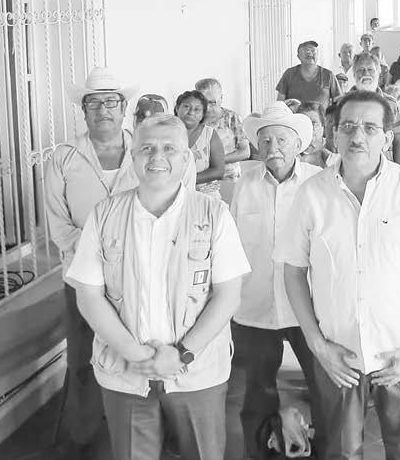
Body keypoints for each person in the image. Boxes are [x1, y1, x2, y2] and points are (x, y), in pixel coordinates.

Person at [280, 89, 400, 459]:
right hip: (338, 355)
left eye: (370, 128)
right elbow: (293, 272)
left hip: (399, 353)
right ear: (334, 134)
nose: (357, 136)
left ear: (387, 137)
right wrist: (317, 345)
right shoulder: (311, 195)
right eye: (348, 126)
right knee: (341, 451)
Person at [67, 113, 251, 460]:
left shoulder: (214, 214)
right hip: (125, 372)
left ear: (186, 158)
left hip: (196, 371)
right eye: (147, 148)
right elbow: (89, 296)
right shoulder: (104, 214)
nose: (157, 157)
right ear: (133, 155)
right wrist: (136, 355)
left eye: (170, 148)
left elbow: (228, 296)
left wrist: (182, 354)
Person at [47, 67, 140, 458]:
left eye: (111, 102)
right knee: (83, 358)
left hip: (137, 275)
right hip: (83, 280)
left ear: (124, 108)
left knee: (138, 353)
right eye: (94, 103)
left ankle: (137, 437)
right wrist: (95, 257)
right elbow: (59, 225)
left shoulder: (145, 152)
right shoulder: (64, 157)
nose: (103, 109)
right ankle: (82, 440)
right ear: (83, 111)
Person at [230, 103, 323, 460]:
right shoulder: (244, 186)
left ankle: (325, 450)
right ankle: (259, 453)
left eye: (282, 140)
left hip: (310, 308)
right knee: (256, 395)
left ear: (298, 143)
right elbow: (233, 247)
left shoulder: (320, 183)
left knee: (325, 389)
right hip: (255, 307)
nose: (273, 148)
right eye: (266, 140)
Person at [327, 52, 400, 165]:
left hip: (384, 167)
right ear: (354, 74)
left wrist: (398, 171)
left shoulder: (391, 103)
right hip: (350, 165)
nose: (366, 73)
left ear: (378, 73)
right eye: (361, 70)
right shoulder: (342, 103)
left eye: (370, 69)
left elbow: (398, 141)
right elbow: (334, 140)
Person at [195, 78, 250, 200]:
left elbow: (245, 152)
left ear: (221, 98)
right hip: (203, 184)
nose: (207, 107)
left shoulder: (231, 118)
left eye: (212, 102)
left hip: (229, 179)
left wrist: (215, 161)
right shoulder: (194, 120)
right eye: (203, 102)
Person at [175, 90, 225, 197]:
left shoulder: (210, 134)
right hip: (173, 194)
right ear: (177, 108)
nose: (191, 112)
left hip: (206, 194)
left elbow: (219, 171)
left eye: (197, 109)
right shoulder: (166, 133)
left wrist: (187, 179)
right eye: (186, 106)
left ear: (203, 114)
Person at [276, 40, 341, 111]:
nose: (309, 53)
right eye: (305, 50)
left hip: (320, 117)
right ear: (298, 56)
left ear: (318, 55)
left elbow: (338, 102)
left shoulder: (328, 75)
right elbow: (280, 103)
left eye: (313, 50)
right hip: (295, 117)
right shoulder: (289, 74)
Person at [296, 101, 336, 168]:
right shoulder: (292, 154)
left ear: (323, 125)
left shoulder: (334, 149)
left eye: (313, 123)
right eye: (304, 123)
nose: (308, 127)